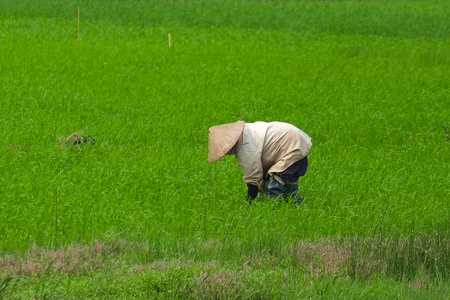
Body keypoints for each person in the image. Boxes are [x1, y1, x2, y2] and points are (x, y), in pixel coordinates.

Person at [208, 120, 312, 203]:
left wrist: (249, 201)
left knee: (273, 186)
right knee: (289, 185)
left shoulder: (246, 147)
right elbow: (267, 152)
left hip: (291, 146)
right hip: (293, 141)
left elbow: (252, 178)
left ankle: (272, 210)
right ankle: (297, 206)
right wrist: (263, 178)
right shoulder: (247, 130)